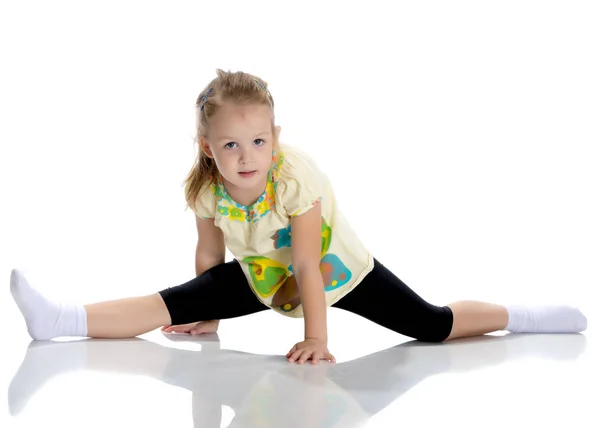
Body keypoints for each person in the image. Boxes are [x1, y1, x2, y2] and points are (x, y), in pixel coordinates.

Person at [9, 69, 588, 365]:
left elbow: (308, 263)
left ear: (275, 138)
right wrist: (207, 311)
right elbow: (209, 259)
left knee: (429, 324)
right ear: (208, 146)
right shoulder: (207, 189)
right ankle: (62, 318)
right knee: (173, 300)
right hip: (263, 272)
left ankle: (523, 315)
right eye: (231, 145)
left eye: (258, 141)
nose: (246, 157)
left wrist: (317, 336)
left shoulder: (294, 178)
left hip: (335, 270)